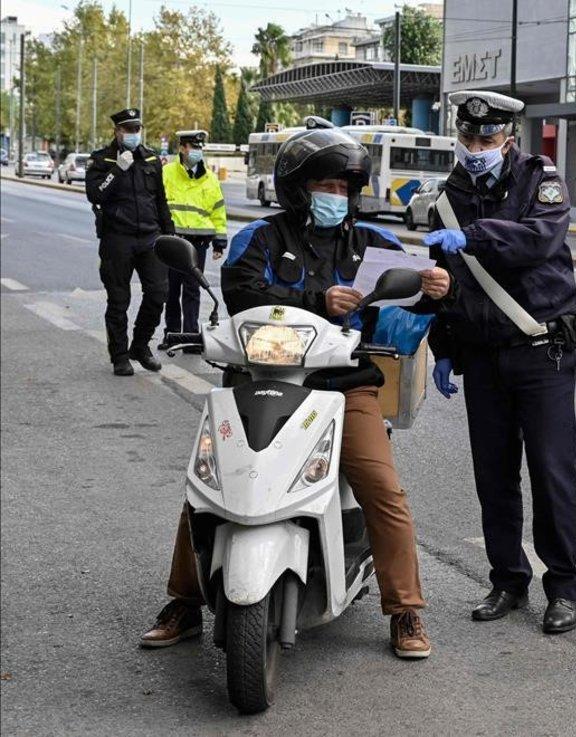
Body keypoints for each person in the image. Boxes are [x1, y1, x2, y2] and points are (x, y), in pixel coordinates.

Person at [140, 122, 451, 660]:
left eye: (343, 188)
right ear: (296, 186)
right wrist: (316, 299)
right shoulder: (259, 237)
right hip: (257, 381)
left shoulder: (374, 243)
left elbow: (401, 306)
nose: (336, 196)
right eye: (324, 185)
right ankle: (185, 603)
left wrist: (433, 294)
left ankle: (404, 609)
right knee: (206, 488)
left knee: (382, 489)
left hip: (342, 387)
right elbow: (240, 291)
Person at [423, 90, 576, 634]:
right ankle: (507, 580)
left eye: (487, 139)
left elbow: (538, 241)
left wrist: (472, 234)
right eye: (467, 138)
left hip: (542, 351)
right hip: (484, 357)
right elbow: (446, 282)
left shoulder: (540, 179)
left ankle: (562, 587)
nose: (475, 148)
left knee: (551, 472)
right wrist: (444, 347)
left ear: (508, 139)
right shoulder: (449, 194)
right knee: (493, 476)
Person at [85, 107, 175, 376]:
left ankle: (140, 345)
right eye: (128, 130)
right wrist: (118, 171)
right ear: (117, 131)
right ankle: (120, 356)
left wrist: (168, 234)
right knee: (118, 300)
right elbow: (95, 195)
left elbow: (160, 200)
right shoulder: (101, 160)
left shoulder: (151, 159)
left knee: (159, 293)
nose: (134, 134)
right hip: (117, 239)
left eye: (137, 129)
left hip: (150, 237)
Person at [158, 130, 227, 353]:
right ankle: (172, 334)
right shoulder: (167, 172)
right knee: (171, 290)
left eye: (199, 147)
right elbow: (158, 205)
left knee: (192, 290)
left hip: (199, 244)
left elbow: (218, 210)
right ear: (182, 148)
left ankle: (190, 336)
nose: (197, 151)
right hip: (173, 240)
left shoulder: (210, 178)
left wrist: (219, 242)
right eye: (192, 147)